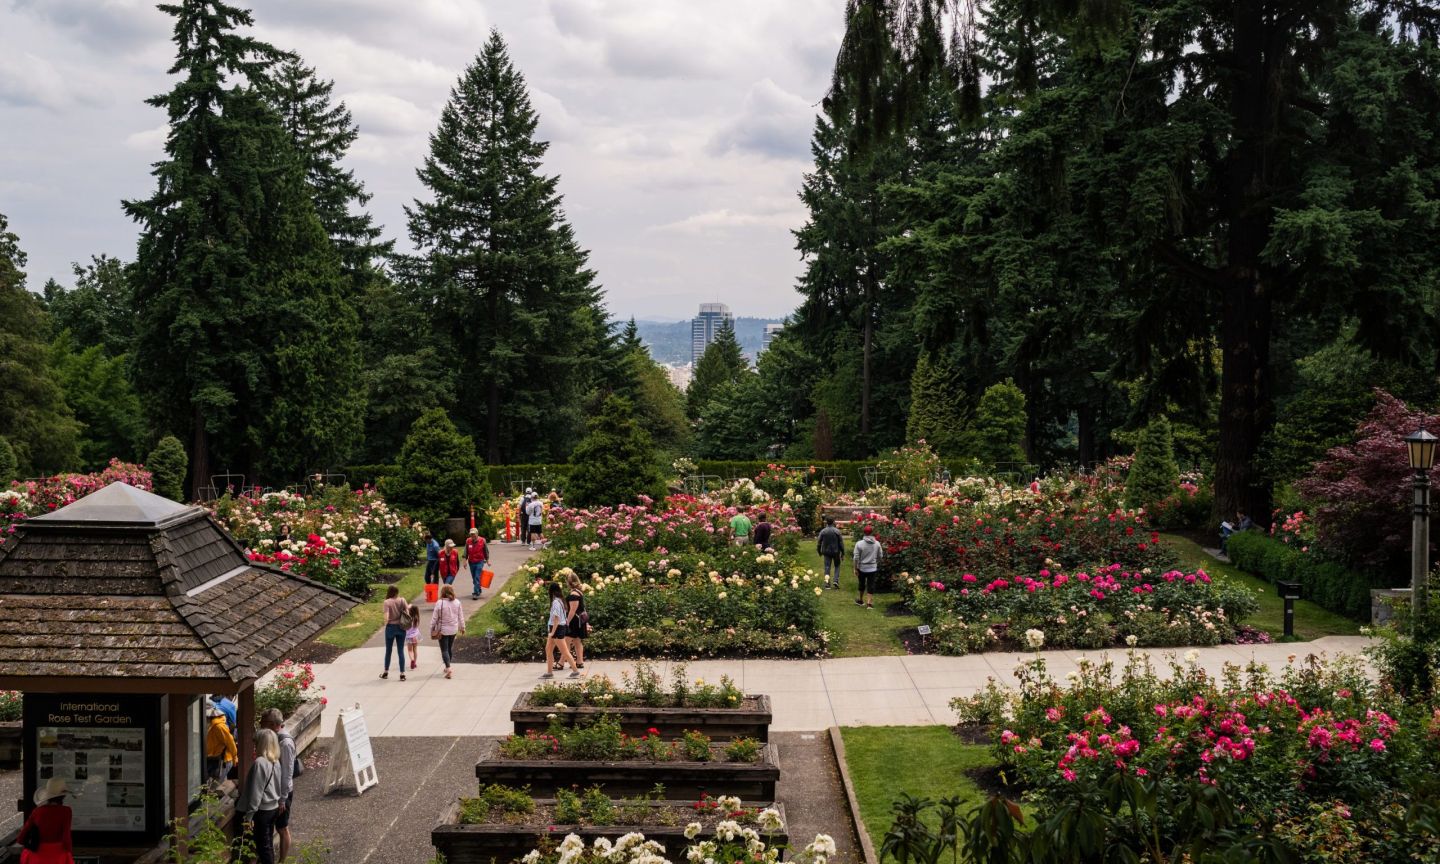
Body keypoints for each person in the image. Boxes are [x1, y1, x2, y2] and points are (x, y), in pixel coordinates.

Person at [238, 729, 284, 864]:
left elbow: (256, 793)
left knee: (263, 847)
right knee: (267, 844)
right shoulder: (275, 761)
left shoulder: (260, 762)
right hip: (273, 808)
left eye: (256, 743)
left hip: (262, 811)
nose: (254, 745)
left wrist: (249, 817)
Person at [260, 709, 296, 863]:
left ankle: (282, 860)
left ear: (275, 725)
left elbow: (287, 773)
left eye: (265, 724)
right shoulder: (274, 737)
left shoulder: (285, 742)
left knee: (282, 828)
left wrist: (283, 799)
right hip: (274, 790)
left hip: (283, 792)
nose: (262, 727)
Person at [19, 778, 73, 864]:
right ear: (63, 796)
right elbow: (66, 836)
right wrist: (69, 853)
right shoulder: (66, 811)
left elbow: (21, 838)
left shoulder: (37, 811)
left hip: (36, 855)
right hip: (57, 855)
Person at [541, 582, 579, 679]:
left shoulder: (556, 602)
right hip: (555, 629)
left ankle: (575, 671)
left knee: (565, 651)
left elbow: (556, 619)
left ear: (551, 591)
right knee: (548, 650)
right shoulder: (560, 601)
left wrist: (553, 632)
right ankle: (549, 672)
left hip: (556, 629)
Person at [430, 584, 466, 679]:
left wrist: (432, 628)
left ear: (442, 592)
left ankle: (448, 668)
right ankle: (447, 666)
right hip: (453, 629)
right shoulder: (457, 602)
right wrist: (462, 627)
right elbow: (460, 616)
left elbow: (434, 618)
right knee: (449, 648)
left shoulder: (440, 603)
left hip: (443, 630)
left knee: (444, 650)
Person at [204, 702, 237, 783]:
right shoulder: (213, 725)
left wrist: (234, 757)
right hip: (214, 758)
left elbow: (230, 742)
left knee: (216, 784)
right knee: (216, 783)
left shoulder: (219, 727)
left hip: (221, 759)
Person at [380, 585, 408, 681]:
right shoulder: (402, 600)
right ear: (397, 591)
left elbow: (386, 617)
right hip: (401, 627)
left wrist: (385, 623)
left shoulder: (387, 602)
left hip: (391, 628)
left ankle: (386, 672)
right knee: (400, 651)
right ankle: (402, 673)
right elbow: (407, 613)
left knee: (389, 650)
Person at [853, 525, 884, 610]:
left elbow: (856, 557)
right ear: (872, 532)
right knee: (871, 585)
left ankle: (860, 600)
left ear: (864, 533)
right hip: (872, 568)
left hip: (862, 567)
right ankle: (869, 603)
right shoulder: (877, 543)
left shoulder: (859, 544)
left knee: (861, 583)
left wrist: (855, 568)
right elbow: (880, 556)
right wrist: (876, 562)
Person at [565, 572, 588, 670]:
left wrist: (567, 621)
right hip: (580, 620)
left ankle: (562, 663)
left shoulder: (573, 594)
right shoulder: (579, 592)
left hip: (574, 621)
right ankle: (579, 662)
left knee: (566, 642)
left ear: (569, 582)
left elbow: (572, 610)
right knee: (577, 641)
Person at [817, 517, 845, 589]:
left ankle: (827, 584)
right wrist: (843, 552)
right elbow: (841, 543)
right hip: (836, 551)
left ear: (826, 522)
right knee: (837, 566)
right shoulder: (837, 531)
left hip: (826, 552)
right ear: (833, 522)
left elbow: (819, 542)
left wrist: (819, 551)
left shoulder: (823, 531)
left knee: (827, 567)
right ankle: (835, 580)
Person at [465, 528, 489, 600]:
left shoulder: (482, 540)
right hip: (471, 562)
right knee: (474, 578)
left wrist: (487, 560)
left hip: (480, 561)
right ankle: (478, 589)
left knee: (477, 577)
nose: (472, 535)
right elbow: (465, 552)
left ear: (477, 534)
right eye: (471, 534)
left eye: (474, 534)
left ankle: (475, 593)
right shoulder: (468, 541)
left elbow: (486, 551)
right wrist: (464, 562)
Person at [404, 603, 421, 671]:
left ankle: (412, 660)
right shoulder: (416, 618)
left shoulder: (407, 618)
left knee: (410, 650)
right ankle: (415, 663)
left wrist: (407, 608)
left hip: (409, 637)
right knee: (415, 649)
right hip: (416, 636)